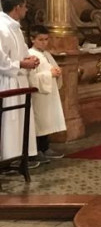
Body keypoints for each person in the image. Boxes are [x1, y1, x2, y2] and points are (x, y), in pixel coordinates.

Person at [0, 0, 40, 166]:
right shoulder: (1, 28)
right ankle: (8, 158)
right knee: (10, 120)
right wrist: (22, 64)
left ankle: (21, 155)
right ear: (17, 7)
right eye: (24, 7)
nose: (26, 10)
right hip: (6, 81)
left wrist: (31, 59)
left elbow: (23, 52)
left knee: (21, 119)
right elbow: (1, 60)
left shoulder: (15, 28)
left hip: (19, 80)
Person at [27, 25, 66, 162]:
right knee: (39, 122)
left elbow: (51, 69)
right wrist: (49, 74)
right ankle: (36, 150)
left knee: (46, 121)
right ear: (32, 39)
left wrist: (57, 72)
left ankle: (45, 147)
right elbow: (31, 78)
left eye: (46, 39)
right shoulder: (30, 54)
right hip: (38, 95)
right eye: (41, 40)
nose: (44, 43)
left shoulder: (47, 54)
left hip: (48, 93)